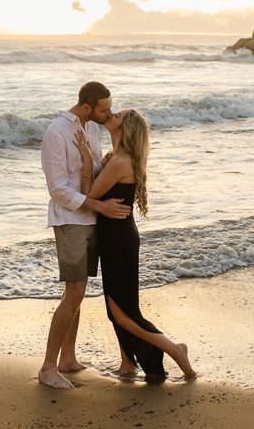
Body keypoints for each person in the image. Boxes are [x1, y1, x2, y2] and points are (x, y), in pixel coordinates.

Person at [74, 108, 196, 380]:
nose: (112, 113)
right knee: (119, 307)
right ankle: (128, 363)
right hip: (118, 237)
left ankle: (176, 350)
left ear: (125, 127)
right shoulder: (118, 159)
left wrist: (85, 162)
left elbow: (87, 198)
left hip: (118, 239)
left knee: (121, 312)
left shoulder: (120, 161)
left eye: (118, 114)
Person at [38, 81, 133, 390]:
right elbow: (58, 190)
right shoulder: (56, 133)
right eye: (104, 109)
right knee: (75, 294)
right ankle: (48, 368)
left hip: (91, 219)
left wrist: (102, 162)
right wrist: (99, 206)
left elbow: (89, 171)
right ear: (86, 106)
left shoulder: (91, 127)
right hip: (71, 221)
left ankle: (68, 359)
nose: (109, 115)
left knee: (75, 293)